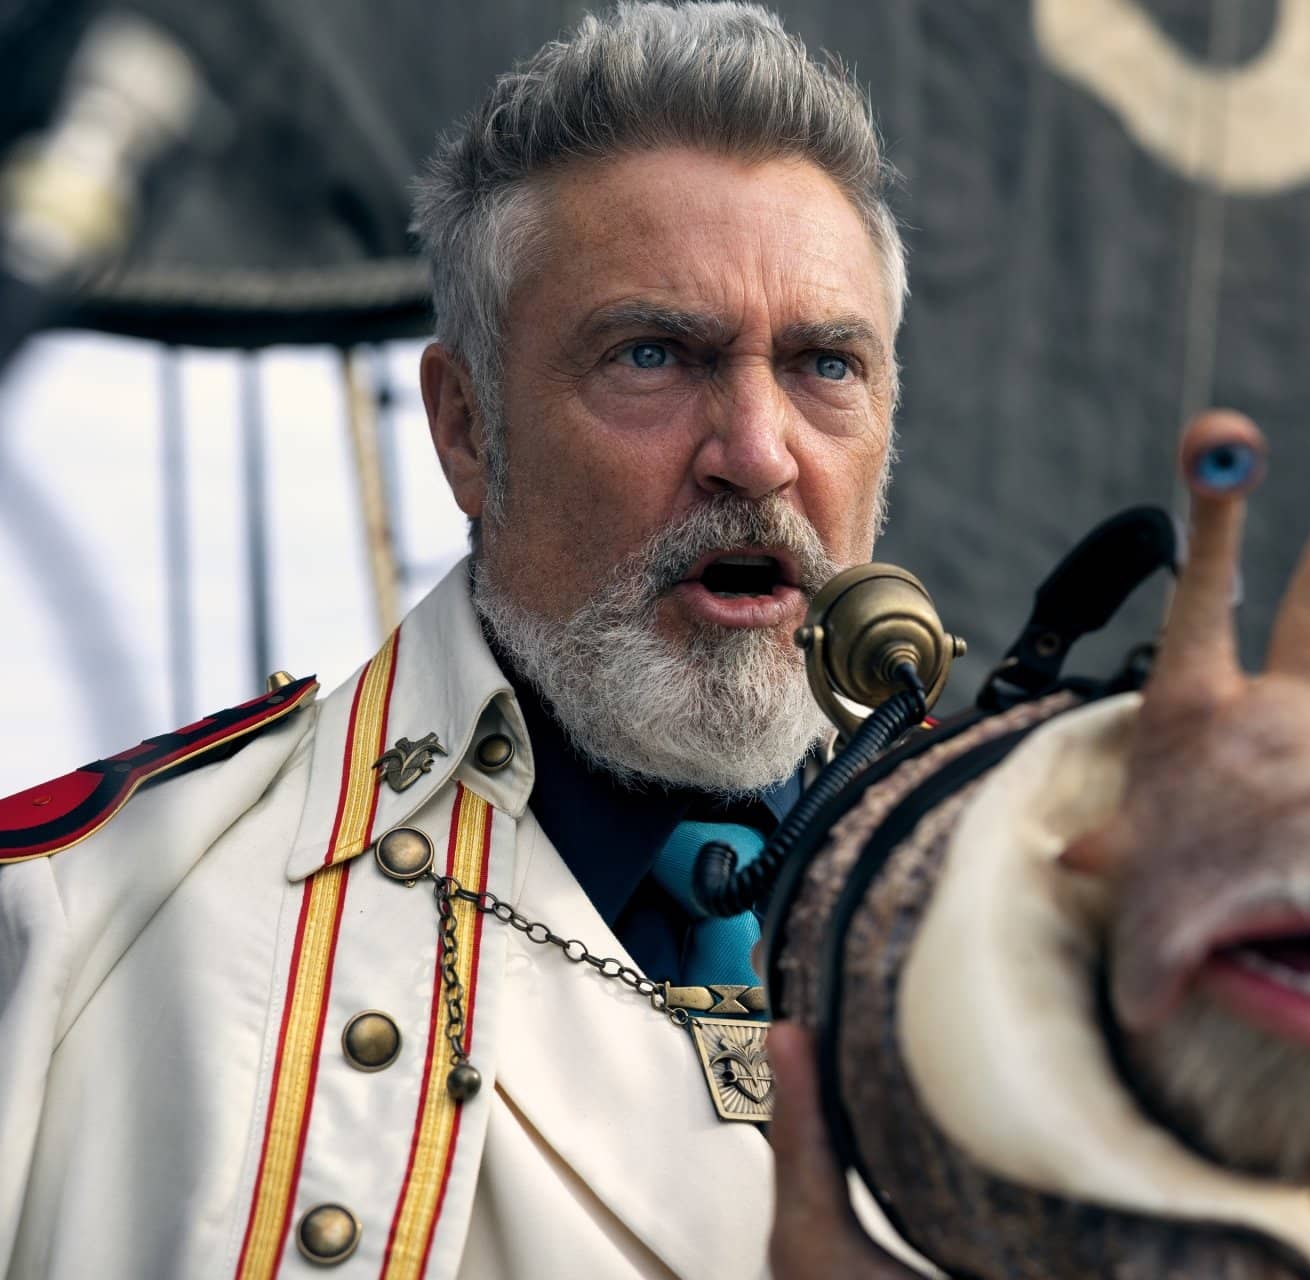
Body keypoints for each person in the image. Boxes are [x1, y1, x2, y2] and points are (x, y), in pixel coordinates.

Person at [0, 4, 925, 1275]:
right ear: (467, 430)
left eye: (826, 365)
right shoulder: (72, 929)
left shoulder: (1054, 908)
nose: (758, 453)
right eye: (653, 354)